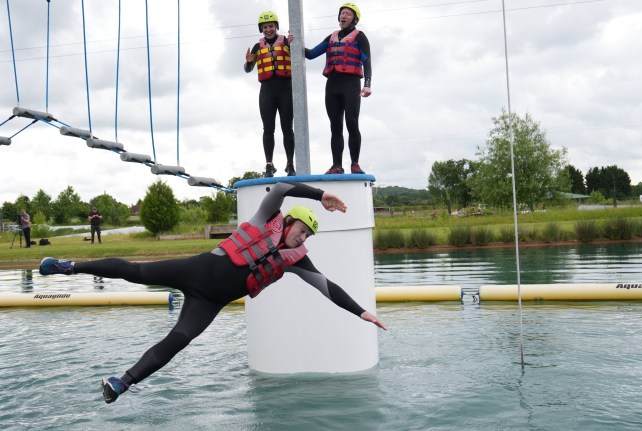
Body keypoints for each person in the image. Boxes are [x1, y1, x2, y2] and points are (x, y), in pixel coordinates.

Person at [39, 181, 386, 404]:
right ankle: (69, 267)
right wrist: (321, 195)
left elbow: (328, 288)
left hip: (210, 302)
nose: (303, 238)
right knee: (135, 272)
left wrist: (362, 313)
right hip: (198, 269)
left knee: (178, 341)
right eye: (302, 230)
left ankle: (121, 383)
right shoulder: (268, 217)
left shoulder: (296, 260)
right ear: (290, 221)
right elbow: (280, 187)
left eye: (309, 236)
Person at [304, 3, 372, 175]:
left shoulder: (360, 37)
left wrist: (367, 85)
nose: (344, 16)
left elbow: (367, 61)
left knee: (351, 123)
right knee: (335, 127)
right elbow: (311, 54)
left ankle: (355, 164)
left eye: (348, 14)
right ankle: (337, 165)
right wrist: (293, 43)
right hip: (332, 86)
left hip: (351, 85)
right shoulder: (331, 37)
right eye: (342, 13)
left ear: (354, 19)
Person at [245, 11, 296, 178]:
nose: (268, 29)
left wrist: (292, 44)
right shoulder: (258, 47)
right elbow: (247, 69)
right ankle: (269, 164)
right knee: (268, 129)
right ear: (261, 29)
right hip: (267, 91)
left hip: (285, 89)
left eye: (271, 26)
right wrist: (249, 61)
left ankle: (290, 163)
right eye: (265, 27)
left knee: (287, 128)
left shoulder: (287, 42)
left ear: (276, 27)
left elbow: (300, 55)